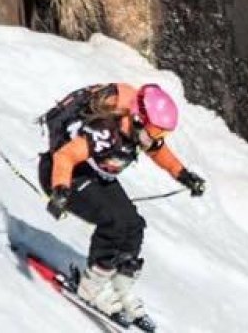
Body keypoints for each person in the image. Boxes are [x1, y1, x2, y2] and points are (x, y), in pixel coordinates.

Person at [38, 82, 206, 328]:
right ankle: (91, 287)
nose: (157, 140)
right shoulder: (106, 132)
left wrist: (183, 175)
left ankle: (119, 285)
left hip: (96, 176)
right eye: (156, 133)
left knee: (134, 225)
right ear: (138, 120)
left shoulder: (140, 133)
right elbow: (65, 156)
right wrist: (60, 191)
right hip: (66, 176)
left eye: (163, 135)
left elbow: (159, 151)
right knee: (113, 222)